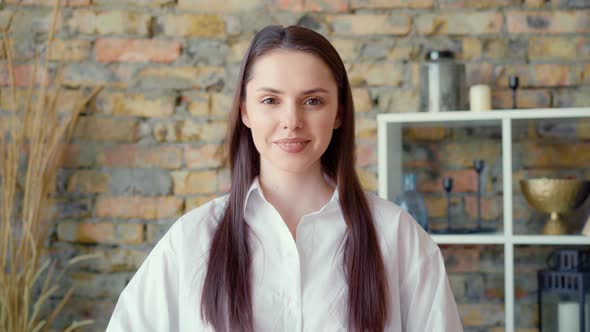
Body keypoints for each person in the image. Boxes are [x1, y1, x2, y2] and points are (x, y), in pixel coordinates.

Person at [106, 25, 463, 332]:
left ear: (339, 113)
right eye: (270, 100)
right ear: (245, 111)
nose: (291, 120)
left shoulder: (397, 236)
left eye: (312, 102)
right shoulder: (191, 240)